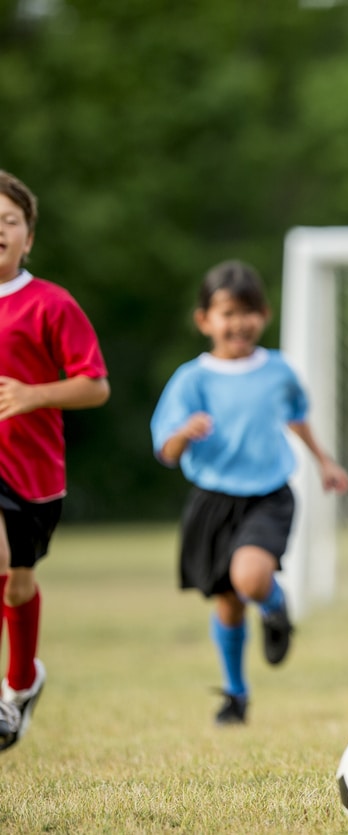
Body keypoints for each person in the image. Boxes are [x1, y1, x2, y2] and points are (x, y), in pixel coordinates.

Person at [151, 260, 348, 726]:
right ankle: (236, 694)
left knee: (251, 579)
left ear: (264, 315)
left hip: (268, 495)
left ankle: (277, 607)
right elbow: (165, 449)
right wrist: (184, 433)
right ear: (204, 320)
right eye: (226, 313)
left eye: (248, 311)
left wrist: (324, 461)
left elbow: (295, 415)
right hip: (214, 499)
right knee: (228, 601)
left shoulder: (278, 370)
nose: (238, 322)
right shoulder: (192, 379)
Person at [0, 171, 111, 752]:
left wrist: (33, 394)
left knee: (17, 585)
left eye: (8, 220)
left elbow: (95, 386)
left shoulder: (50, 304)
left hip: (33, 478)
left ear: (28, 237)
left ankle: (21, 683)